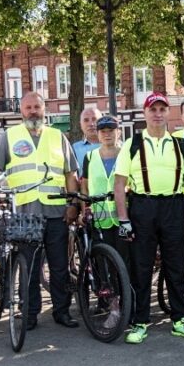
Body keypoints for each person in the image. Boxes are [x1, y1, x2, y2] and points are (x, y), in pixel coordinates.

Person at [0, 92, 80, 329]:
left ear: (44, 109)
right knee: (29, 267)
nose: (33, 111)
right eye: (28, 107)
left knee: (59, 266)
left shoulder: (57, 136)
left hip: (56, 211)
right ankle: (29, 313)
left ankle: (62, 311)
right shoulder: (9, 136)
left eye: (37, 107)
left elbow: (71, 174)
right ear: (21, 111)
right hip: (25, 213)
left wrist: (72, 204)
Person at [113, 92, 184, 344]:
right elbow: (119, 184)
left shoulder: (180, 145)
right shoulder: (132, 144)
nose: (157, 114)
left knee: (177, 266)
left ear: (167, 113)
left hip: (174, 207)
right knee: (141, 267)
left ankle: (180, 320)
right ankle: (140, 322)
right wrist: (123, 219)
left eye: (162, 109)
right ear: (145, 113)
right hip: (142, 207)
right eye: (153, 109)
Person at [80, 114, 127, 330]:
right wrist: (85, 209)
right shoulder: (90, 157)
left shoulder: (127, 153)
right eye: (103, 131)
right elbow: (85, 185)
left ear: (118, 132)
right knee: (106, 267)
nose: (107, 134)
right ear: (98, 134)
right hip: (100, 221)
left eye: (111, 130)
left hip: (123, 219)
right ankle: (114, 309)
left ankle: (129, 307)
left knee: (125, 265)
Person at [73, 105, 103, 176]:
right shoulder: (74, 149)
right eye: (86, 120)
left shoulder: (119, 146)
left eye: (94, 119)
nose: (91, 124)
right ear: (81, 125)